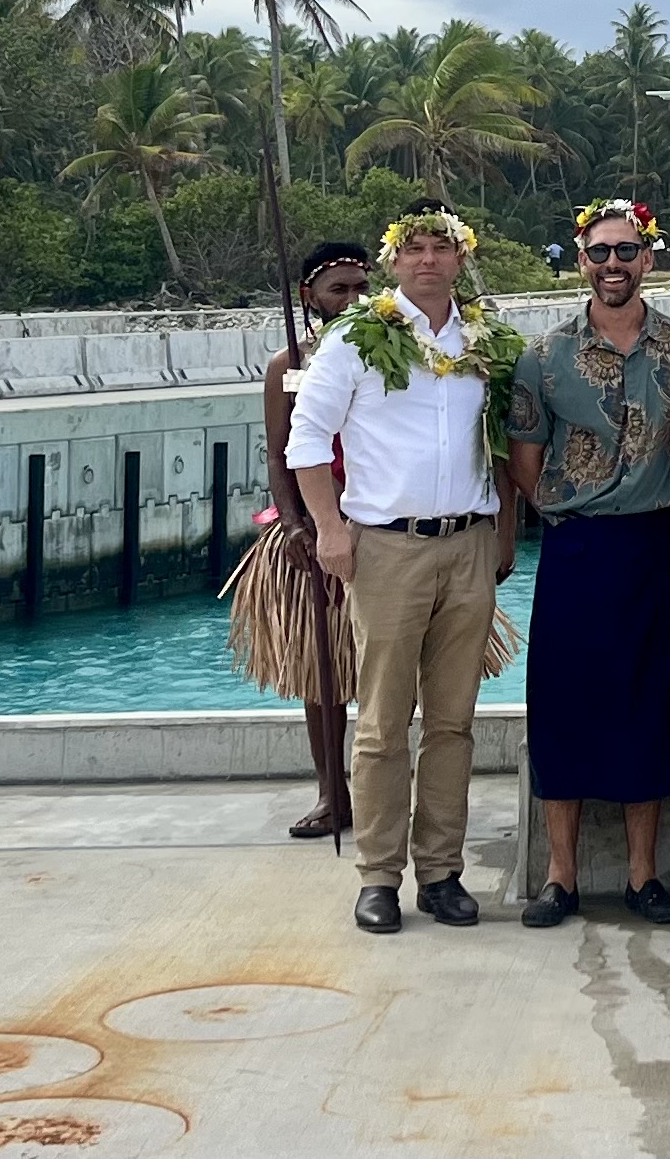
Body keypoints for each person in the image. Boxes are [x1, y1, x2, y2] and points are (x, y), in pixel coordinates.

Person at [284, 210, 522, 934]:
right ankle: (378, 874)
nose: (427, 259)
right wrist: (329, 528)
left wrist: (504, 532)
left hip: (468, 542)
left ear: (460, 257)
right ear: (394, 261)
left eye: (441, 247)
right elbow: (306, 439)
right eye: (413, 248)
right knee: (384, 722)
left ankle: (442, 870)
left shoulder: (487, 340)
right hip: (385, 545)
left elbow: (505, 439)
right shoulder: (355, 337)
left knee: (453, 721)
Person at [505, 198, 670, 929]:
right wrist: (571, 508)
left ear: (647, 258)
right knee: (563, 703)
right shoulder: (544, 355)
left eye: (626, 252)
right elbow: (523, 461)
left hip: (653, 544)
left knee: (647, 704)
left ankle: (642, 875)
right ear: (581, 259)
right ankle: (560, 876)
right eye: (599, 253)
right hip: (576, 545)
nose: (612, 264)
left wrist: (658, 500)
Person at [234, 241, 378, 841]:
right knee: (321, 671)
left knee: (384, 668)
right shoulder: (286, 364)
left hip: (378, 523)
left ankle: (382, 791)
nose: (349, 299)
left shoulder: (388, 351)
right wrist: (297, 525)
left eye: (357, 288)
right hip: (313, 528)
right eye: (336, 289)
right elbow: (279, 452)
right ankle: (331, 792)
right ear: (308, 297)